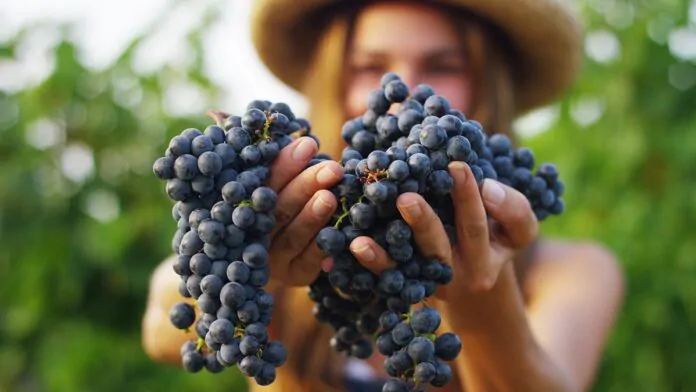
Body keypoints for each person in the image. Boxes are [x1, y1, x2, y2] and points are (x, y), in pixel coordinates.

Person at [142, 0, 626, 391]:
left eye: (442, 64)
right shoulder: (301, 214)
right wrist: (261, 264)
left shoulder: (572, 270)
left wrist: (483, 304)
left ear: (488, 84)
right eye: (369, 66)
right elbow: (164, 323)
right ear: (332, 79)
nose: (402, 91)